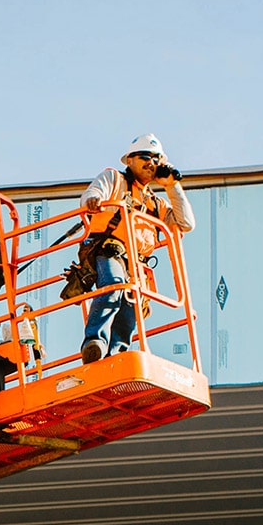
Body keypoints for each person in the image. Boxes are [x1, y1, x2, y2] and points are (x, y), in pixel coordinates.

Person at [78, 134, 195, 363]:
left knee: (130, 309)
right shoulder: (115, 179)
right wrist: (93, 200)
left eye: (156, 159)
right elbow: (92, 194)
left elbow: (186, 223)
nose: (150, 162)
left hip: (138, 265)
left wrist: (172, 186)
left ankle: (117, 356)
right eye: (144, 156)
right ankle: (95, 343)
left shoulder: (156, 203)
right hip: (111, 250)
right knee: (113, 286)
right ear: (130, 160)